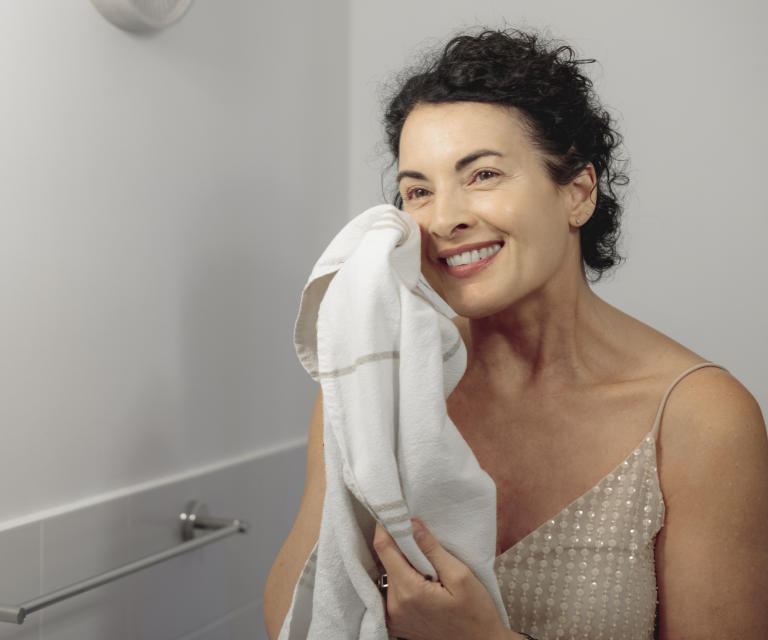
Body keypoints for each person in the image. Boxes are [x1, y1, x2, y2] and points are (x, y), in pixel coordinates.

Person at [263, 28, 768, 639]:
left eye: (483, 176)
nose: (444, 218)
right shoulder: (378, 383)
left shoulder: (700, 419)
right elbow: (303, 609)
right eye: (417, 191)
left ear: (578, 192)